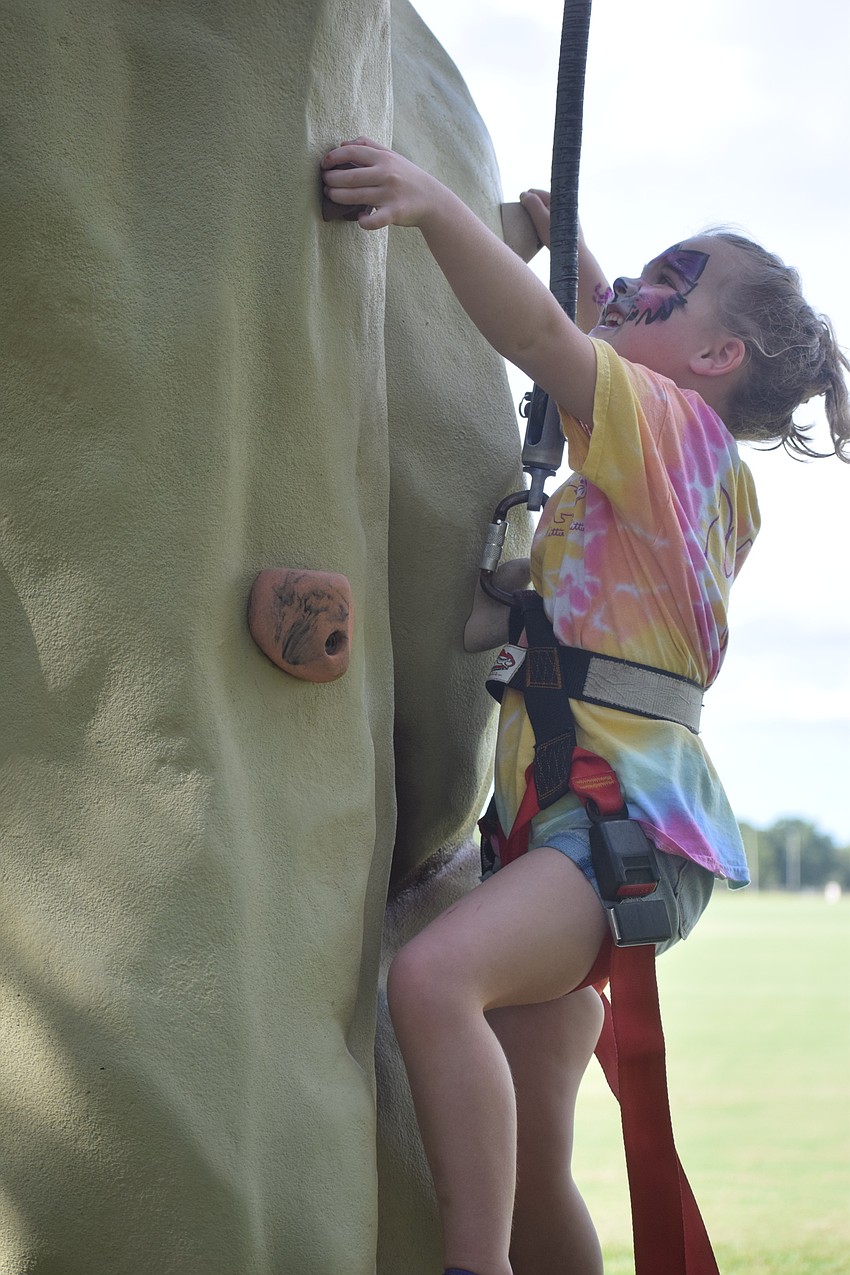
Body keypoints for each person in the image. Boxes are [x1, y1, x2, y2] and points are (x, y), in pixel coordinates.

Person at [321, 139, 850, 1275]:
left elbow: (542, 335)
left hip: (606, 823)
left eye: (670, 282)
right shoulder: (683, 455)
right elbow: (595, 311)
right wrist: (576, 249)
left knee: (432, 978)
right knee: (534, 1149)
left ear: (714, 354)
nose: (627, 295)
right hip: (572, 822)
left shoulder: (666, 429)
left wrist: (430, 208)